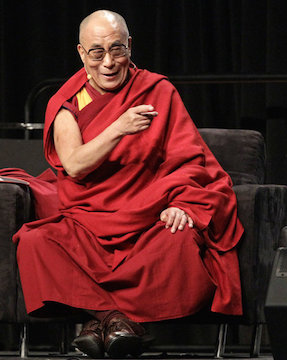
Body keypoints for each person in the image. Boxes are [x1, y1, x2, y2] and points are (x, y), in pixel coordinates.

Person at [13, 10, 244, 358]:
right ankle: (118, 322)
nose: (108, 62)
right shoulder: (67, 103)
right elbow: (74, 165)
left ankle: (99, 323)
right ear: (81, 53)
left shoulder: (157, 90)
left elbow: (190, 160)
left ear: (130, 46)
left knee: (180, 240)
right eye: (96, 52)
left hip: (147, 218)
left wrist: (182, 203)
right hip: (86, 221)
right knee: (35, 241)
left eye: (117, 49)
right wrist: (119, 128)